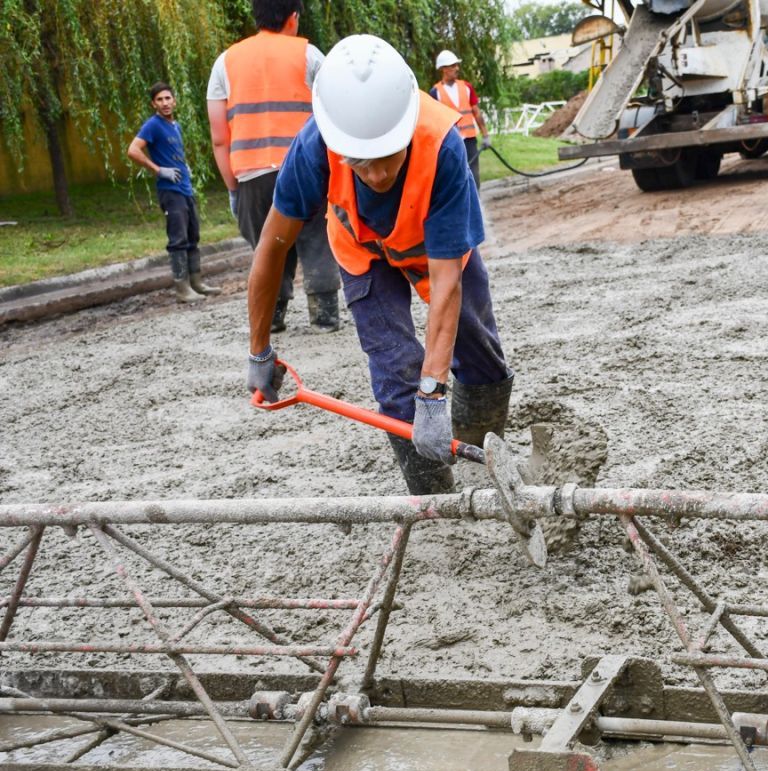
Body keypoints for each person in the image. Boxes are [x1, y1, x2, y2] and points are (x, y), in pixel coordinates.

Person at [245, 35, 513, 495]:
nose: (376, 175)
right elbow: (271, 247)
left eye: (387, 155)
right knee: (394, 373)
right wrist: (259, 351)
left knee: (479, 353)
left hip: (432, 250)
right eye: (359, 162)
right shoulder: (315, 147)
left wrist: (433, 394)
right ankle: (434, 502)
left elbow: (447, 282)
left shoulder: (441, 146)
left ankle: (481, 463)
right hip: (360, 250)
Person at [207, 0, 342, 333]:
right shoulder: (309, 56)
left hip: (251, 173)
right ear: (293, 18)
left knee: (268, 244)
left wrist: (233, 187)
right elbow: (336, 112)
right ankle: (324, 314)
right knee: (316, 238)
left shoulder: (225, 62)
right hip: (305, 167)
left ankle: (274, 316)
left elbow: (219, 137)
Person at [127, 82, 222, 303]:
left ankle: (196, 283)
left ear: (174, 100)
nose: (165, 103)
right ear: (154, 104)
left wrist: (183, 166)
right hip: (170, 191)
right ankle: (182, 289)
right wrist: (159, 170)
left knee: (192, 234)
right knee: (178, 238)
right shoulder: (153, 125)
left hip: (185, 188)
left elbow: (172, 152)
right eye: (159, 100)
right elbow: (132, 150)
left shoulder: (175, 126)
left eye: (168, 98)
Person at [429, 50, 492, 188]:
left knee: (474, 176)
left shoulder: (466, 87)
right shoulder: (435, 92)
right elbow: (434, 123)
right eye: (453, 66)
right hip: (450, 143)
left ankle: (477, 206)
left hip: (469, 140)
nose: (457, 68)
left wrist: (486, 135)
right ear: (444, 69)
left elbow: (476, 112)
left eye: (457, 65)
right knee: (455, 177)